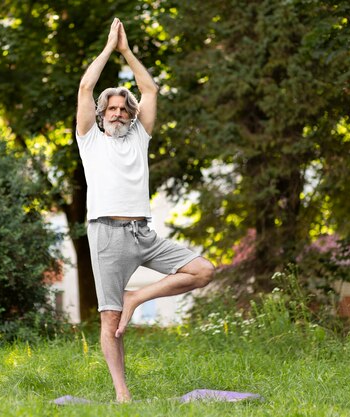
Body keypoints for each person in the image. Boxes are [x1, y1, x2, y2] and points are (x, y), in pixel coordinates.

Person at [76, 18, 215, 403]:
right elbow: (87, 87)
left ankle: (137, 298)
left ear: (131, 114)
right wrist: (107, 49)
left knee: (203, 270)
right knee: (109, 318)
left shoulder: (140, 135)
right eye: (112, 109)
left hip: (143, 232)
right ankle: (123, 395)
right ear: (101, 115)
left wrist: (126, 52)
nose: (118, 113)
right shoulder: (89, 140)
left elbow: (150, 88)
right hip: (106, 233)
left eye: (124, 108)